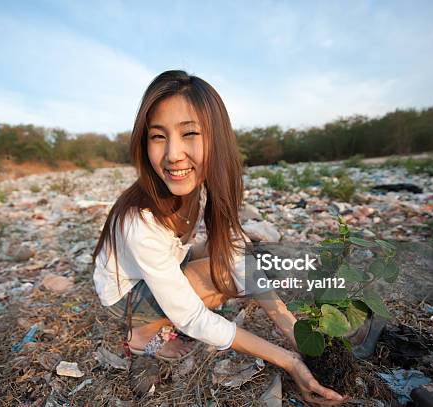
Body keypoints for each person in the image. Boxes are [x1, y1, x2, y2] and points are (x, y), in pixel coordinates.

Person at [92, 70, 349, 405]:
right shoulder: (140, 219)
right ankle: (142, 337)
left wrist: (289, 326)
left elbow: (234, 249)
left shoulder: (195, 187)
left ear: (216, 137)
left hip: (164, 261)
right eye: (158, 136)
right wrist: (288, 360)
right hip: (123, 296)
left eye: (190, 134)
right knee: (221, 277)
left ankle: (158, 321)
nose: (173, 154)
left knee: (236, 261)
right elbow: (193, 318)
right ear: (144, 141)